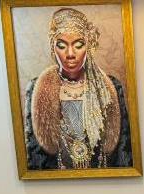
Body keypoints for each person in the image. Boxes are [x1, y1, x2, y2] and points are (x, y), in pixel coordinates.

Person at [24, 7, 132, 170]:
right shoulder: (36, 88)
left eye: (78, 45)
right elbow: (34, 160)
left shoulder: (112, 87)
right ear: (53, 47)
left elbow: (124, 156)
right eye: (61, 45)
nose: (70, 54)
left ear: (88, 46)